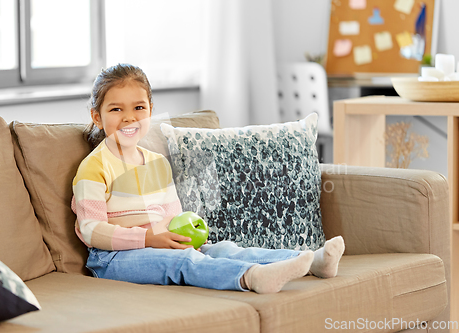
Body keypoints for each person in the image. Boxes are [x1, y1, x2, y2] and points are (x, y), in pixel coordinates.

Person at [71, 63, 345, 294]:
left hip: (159, 244)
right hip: (111, 258)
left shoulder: (156, 162)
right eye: (116, 110)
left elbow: (172, 217)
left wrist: (182, 236)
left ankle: (312, 261)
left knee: (223, 248)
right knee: (185, 262)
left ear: (150, 110)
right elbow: (90, 230)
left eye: (139, 108)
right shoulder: (94, 167)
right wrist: (148, 239)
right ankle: (250, 277)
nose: (129, 118)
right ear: (97, 116)